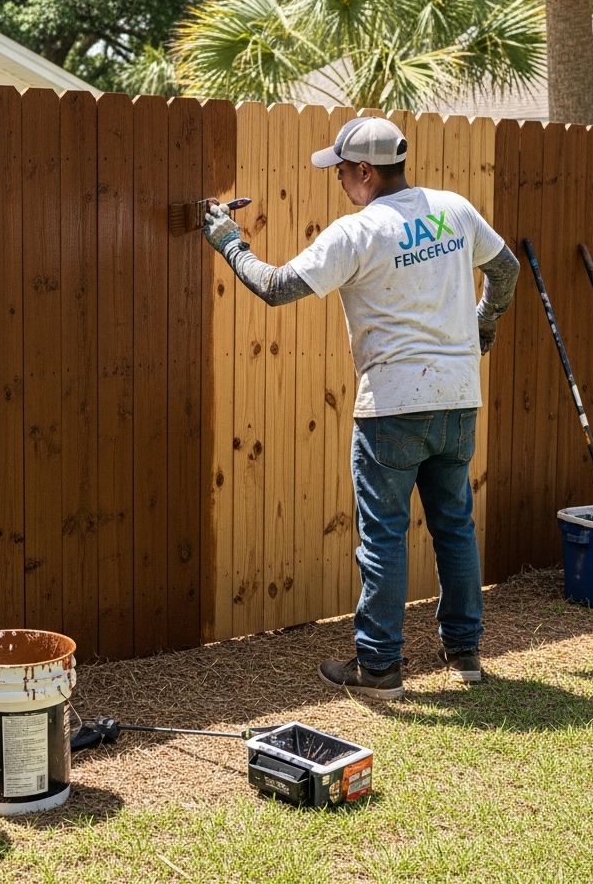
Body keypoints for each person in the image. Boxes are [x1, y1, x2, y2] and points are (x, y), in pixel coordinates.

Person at [202, 116, 519, 700]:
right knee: (454, 525)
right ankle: (466, 653)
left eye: (343, 171)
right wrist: (484, 323)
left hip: (393, 405)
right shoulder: (453, 209)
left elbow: (274, 286)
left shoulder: (358, 232)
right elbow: (506, 271)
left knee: (384, 536)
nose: (340, 181)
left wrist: (229, 243)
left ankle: (378, 668)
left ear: (367, 171)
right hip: (458, 398)